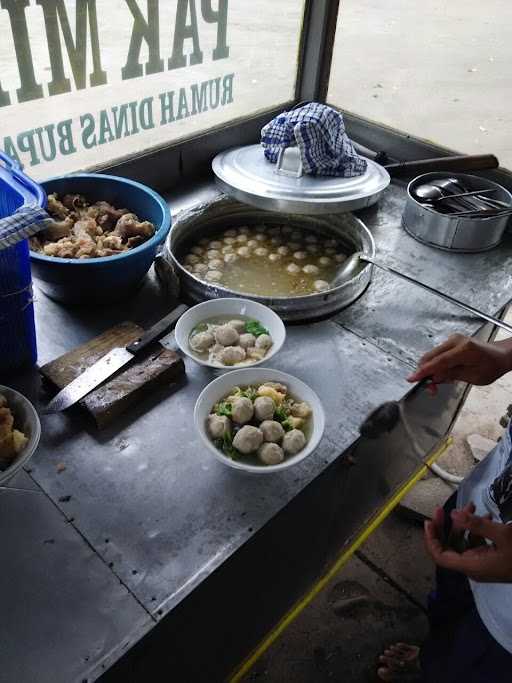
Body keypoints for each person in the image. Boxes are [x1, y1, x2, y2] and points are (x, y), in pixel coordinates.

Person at [377, 334, 512, 682]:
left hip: (507, 625)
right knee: (450, 602)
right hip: (484, 502)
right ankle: (433, 655)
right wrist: (505, 352)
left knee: (474, 664)